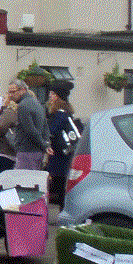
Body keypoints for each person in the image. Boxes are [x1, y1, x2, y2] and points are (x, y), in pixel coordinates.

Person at [45, 80, 78, 208]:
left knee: (57, 186)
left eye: (52, 93)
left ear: (58, 96)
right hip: (65, 154)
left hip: (58, 156)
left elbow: (51, 131)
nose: (50, 96)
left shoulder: (59, 114)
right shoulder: (67, 112)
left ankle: (61, 213)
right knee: (61, 186)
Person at [9, 79, 48, 171]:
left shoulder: (23, 106)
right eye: (9, 92)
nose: (10, 95)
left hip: (26, 151)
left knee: (23, 182)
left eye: (13, 92)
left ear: (23, 90)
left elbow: (30, 130)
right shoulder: (37, 103)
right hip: (37, 151)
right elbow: (45, 126)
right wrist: (46, 143)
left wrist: (44, 146)